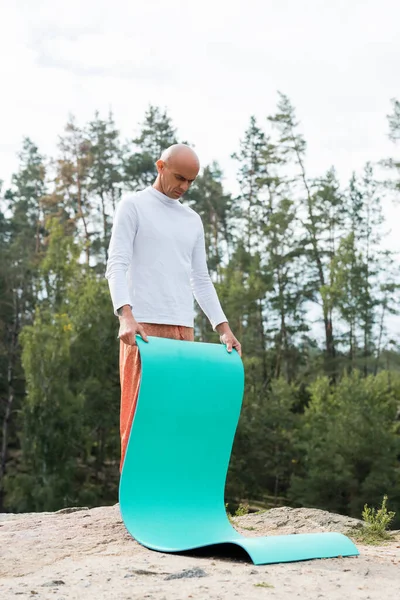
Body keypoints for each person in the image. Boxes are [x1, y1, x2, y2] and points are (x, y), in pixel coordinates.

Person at [105, 144, 241, 470]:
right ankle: (134, 504)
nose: (184, 186)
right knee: (140, 418)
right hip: (143, 329)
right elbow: (116, 264)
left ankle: (171, 503)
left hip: (184, 329)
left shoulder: (192, 220)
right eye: (180, 177)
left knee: (177, 419)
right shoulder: (133, 206)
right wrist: (126, 315)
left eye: (191, 181)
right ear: (160, 166)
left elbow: (201, 279)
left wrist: (224, 329)